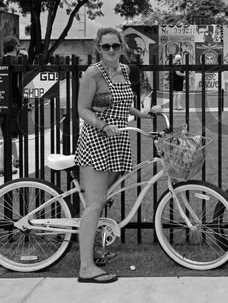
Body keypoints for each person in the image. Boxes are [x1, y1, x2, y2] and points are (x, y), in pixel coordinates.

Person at [74, 27, 158, 283]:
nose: (111, 50)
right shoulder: (92, 73)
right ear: (98, 48)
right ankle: (86, 268)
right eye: (106, 46)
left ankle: (93, 251)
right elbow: (82, 109)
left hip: (118, 141)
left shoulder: (124, 70)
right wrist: (102, 125)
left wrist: (142, 114)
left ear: (122, 47)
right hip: (97, 141)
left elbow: (123, 103)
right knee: (95, 203)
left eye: (115, 46)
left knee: (101, 201)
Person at [0, 36, 23, 176]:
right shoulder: (19, 61)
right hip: (13, 103)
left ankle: (15, 159)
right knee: (8, 135)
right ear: (16, 47)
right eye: (18, 45)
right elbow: (23, 82)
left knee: (7, 133)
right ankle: (1, 165)